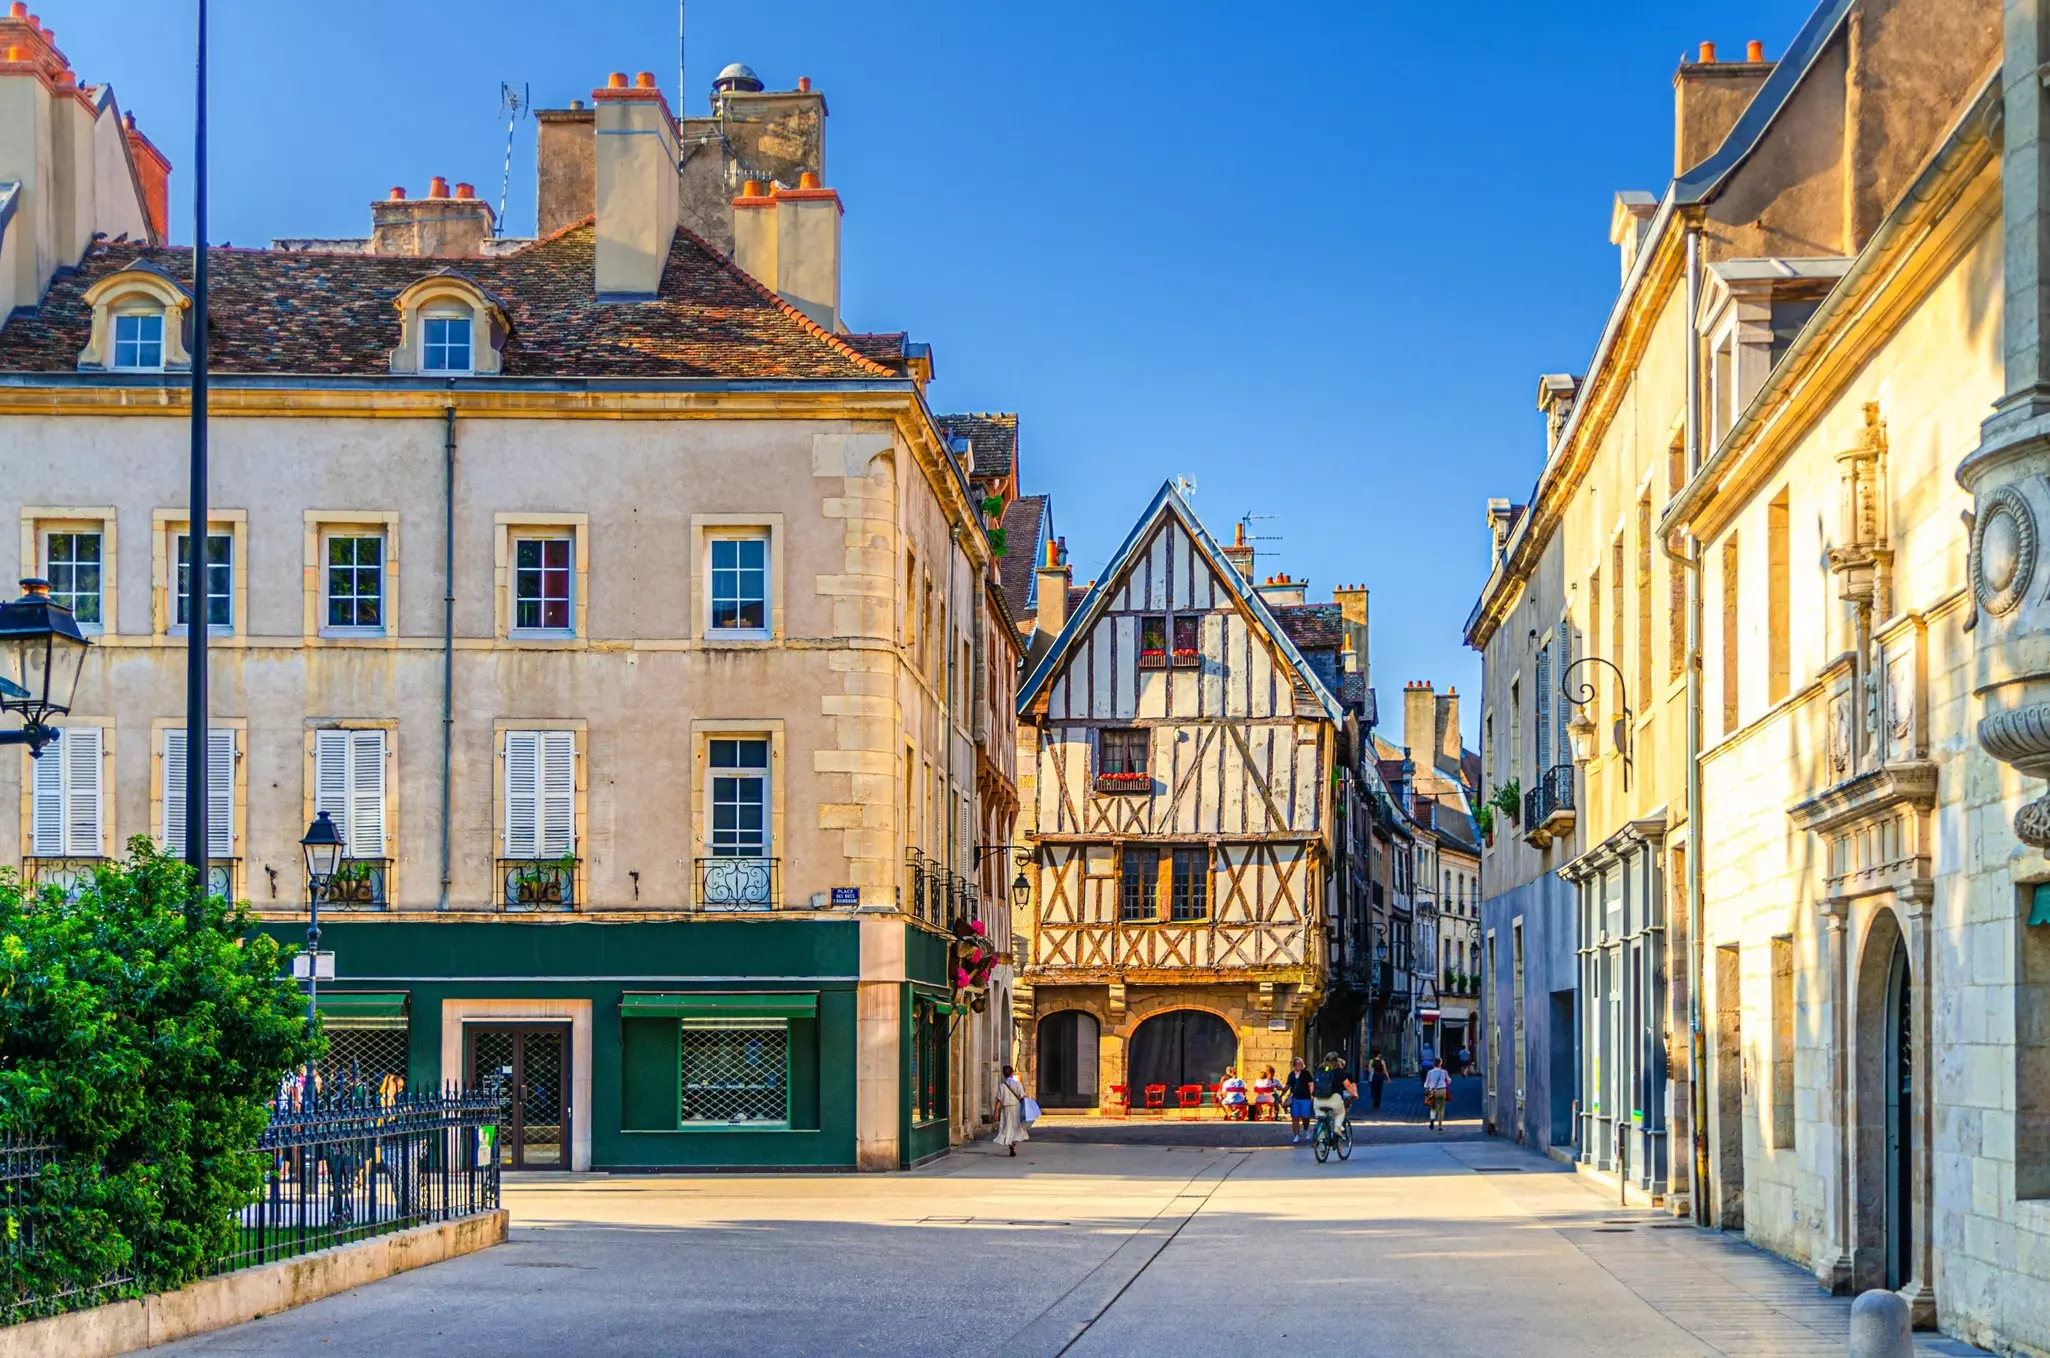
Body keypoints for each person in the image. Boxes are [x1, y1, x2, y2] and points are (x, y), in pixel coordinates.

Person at [1311, 1052, 1357, 1144]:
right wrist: (1354, 1094)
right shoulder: (1339, 1071)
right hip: (1334, 1099)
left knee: (1321, 1116)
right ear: (1336, 1061)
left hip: (1318, 1100)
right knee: (1340, 1112)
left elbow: (1313, 1084)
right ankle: (1337, 1128)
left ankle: (1322, 1135)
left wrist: (1312, 1096)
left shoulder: (1320, 1070)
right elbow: (1348, 1085)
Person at [994, 1064, 1029, 1156]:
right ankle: (1013, 1144)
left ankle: (1010, 1144)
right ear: (1012, 1073)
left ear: (1003, 1074)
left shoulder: (1002, 1086)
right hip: (1016, 1108)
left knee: (1007, 1127)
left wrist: (995, 1112)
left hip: (1006, 1109)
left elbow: (998, 1100)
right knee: (1015, 1126)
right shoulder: (1017, 1084)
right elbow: (1022, 1097)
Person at [1284, 1057, 1316, 1143]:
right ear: (1294, 1065)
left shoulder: (1306, 1073)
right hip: (1295, 1098)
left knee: (1305, 1116)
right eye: (1297, 1063)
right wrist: (1282, 1094)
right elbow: (1288, 1085)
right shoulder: (1291, 1075)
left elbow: (1311, 1084)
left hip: (1305, 1098)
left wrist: (1311, 1095)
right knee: (1295, 1117)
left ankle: (1306, 1128)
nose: (1298, 1065)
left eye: (1300, 1063)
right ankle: (1296, 1135)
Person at [1424, 1057, 1453, 1130]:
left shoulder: (1430, 1072)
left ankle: (1432, 1120)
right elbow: (1449, 1081)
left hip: (1433, 1090)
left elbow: (1426, 1083)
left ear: (1433, 1063)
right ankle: (1440, 1126)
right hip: (1442, 1090)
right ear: (1441, 1063)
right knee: (1441, 1108)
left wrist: (1427, 1088)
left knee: (1433, 1107)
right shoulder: (1444, 1072)